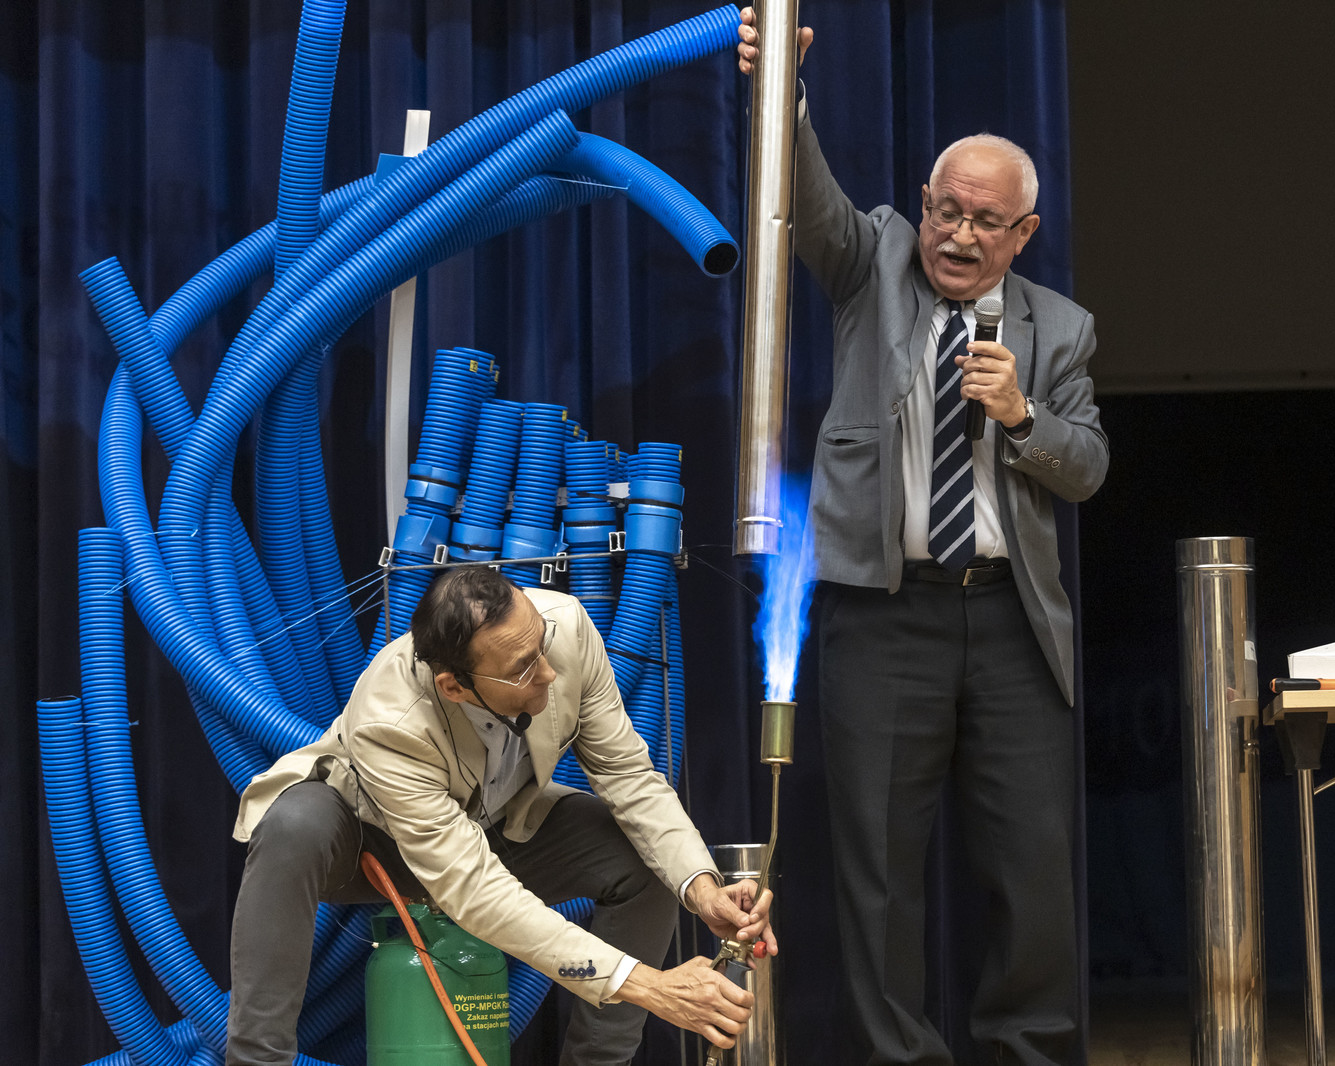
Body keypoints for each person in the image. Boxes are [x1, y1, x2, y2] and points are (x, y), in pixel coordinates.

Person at [739, 10, 1108, 1066]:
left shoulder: (1060, 329)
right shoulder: (875, 265)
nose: (956, 236)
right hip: (882, 615)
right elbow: (806, 198)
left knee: (1031, 866)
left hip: (1010, 624)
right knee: (879, 874)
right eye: (945, 209)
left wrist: (1022, 417)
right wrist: (780, 93)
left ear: (1022, 234)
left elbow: (1087, 467)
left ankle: (1028, 1052)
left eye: (984, 222)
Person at [227, 566, 776, 1066]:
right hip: (378, 843)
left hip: (495, 827)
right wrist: (650, 986)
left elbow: (628, 776)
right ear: (455, 686)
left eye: (541, 646)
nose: (549, 674)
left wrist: (703, 889)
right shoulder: (389, 719)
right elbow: (471, 888)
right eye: (522, 668)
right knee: (295, 824)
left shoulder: (566, 629)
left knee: (646, 860)